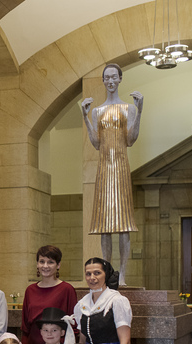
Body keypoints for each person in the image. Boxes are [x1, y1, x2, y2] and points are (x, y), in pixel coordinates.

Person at [82, 63, 143, 286]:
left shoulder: (128, 108)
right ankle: (105, 273)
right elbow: (96, 142)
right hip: (104, 168)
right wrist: (86, 117)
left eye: (113, 77)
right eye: (106, 77)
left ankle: (123, 274)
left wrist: (140, 111)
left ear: (120, 79)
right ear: (103, 80)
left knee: (124, 223)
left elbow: (131, 139)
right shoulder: (97, 111)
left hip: (121, 165)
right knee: (104, 225)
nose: (110, 81)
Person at [21, 245, 78, 344]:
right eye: (42, 261)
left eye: (50, 262)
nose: (45, 266)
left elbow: (74, 325)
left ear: (58, 265)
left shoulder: (67, 289)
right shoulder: (30, 290)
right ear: (37, 264)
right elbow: (25, 327)